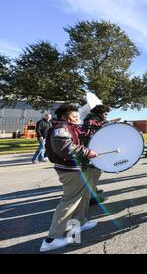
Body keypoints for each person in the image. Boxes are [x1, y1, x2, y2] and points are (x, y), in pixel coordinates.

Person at [40, 104, 98, 252]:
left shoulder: (69, 127)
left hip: (77, 168)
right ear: (64, 117)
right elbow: (66, 148)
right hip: (70, 170)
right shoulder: (60, 128)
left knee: (84, 196)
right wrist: (87, 152)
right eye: (74, 116)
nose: (77, 119)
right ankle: (51, 239)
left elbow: (78, 139)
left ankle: (79, 223)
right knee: (69, 201)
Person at [82, 104, 111, 205]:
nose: (106, 115)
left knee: (95, 174)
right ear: (99, 113)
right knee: (92, 175)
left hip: (96, 152)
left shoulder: (97, 121)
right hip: (91, 153)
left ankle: (93, 190)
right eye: (105, 114)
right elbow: (88, 138)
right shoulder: (90, 121)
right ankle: (91, 198)